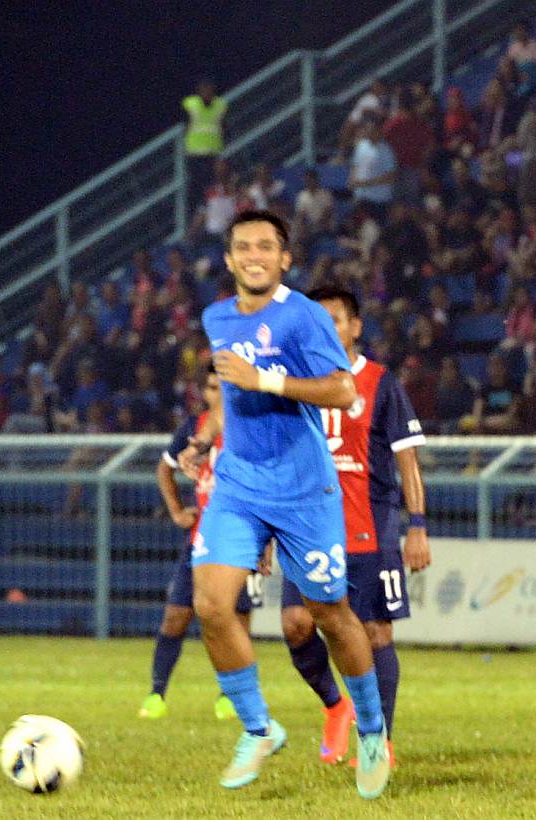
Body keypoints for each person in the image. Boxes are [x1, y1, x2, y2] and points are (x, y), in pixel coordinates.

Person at [177, 210, 390, 797]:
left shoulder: (303, 317)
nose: (254, 255)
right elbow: (230, 397)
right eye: (242, 246)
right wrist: (204, 442)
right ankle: (258, 726)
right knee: (212, 605)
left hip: (304, 491)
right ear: (228, 259)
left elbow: (343, 391)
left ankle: (371, 730)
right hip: (240, 487)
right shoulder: (215, 316)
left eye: (266, 247)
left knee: (330, 614)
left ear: (284, 258)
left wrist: (263, 380)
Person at [277, 286, 431, 770]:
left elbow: (408, 461)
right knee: (297, 624)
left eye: (336, 320)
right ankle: (335, 706)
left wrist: (418, 526)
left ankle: (378, 741)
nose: (328, 329)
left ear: (355, 326)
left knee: (375, 634)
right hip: (308, 527)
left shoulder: (382, 383)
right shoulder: (297, 384)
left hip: (370, 525)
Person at [138, 366, 262, 721]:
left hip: (241, 541)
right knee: (176, 616)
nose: (217, 393)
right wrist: (177, 511)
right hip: (201, 542)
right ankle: (156, 694)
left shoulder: (249, 427)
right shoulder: (195, 429)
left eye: (223, 386)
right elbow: (164, 469)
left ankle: (231, 697)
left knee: (236, 622)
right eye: (210, 387)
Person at [182, 78, 227, 209]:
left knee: (213, 183)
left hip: (214, 152)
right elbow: (184, 125)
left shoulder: (220, 105)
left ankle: (208, 208)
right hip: (195, 153)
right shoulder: (191, 104)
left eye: (210, 89)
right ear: (198, 91)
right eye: (204, 89)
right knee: (197, 184)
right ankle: (196, 209)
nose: (207, 92)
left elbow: (224, 125)